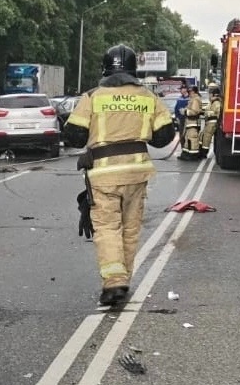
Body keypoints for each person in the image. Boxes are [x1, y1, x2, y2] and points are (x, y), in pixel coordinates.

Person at [64, 44, 175, 307]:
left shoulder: (92, 97)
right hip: (137, 173)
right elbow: (164, 137)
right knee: (130, 228)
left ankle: (114, 282)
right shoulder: (149, 97)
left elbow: (74, 135)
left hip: (103, 175)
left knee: (107, 228)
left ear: (105, 68)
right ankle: (123, 279)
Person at [180, 85, 204, 158]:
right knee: (188, 138)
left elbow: (194, 111)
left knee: (192, 139)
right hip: (190, 123)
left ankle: (193, 155)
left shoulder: (195, 99)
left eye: (189, 92)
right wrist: (184, 110)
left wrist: (185, 111)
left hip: (193, 122)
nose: (188, 93)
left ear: (193, 91)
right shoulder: (193, 99)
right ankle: (186, 154)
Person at [201, 84, 223, 159]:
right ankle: (203, 151)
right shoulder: (212, 102)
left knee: (207, 138)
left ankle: (204, 153)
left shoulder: (216, 103)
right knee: (204, 137)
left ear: (214, 95)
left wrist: (208, 113)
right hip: (209, 123)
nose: (209, 96)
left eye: (210, 94)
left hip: (212, 123)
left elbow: (218, 114)